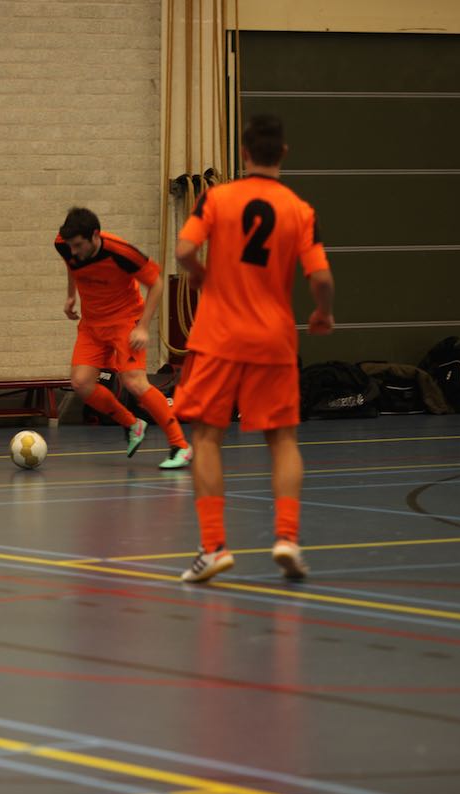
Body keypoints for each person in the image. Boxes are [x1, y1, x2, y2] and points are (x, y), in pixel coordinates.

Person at [173, 113, 335, 583]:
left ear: (243, 153)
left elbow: (184, 251)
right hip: (273, 339)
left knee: (207, 437)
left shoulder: (216, 198)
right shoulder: (300, 210)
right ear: (283, 153)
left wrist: (202, 277)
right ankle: (287, 538)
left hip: (218, 336)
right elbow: (321, 278)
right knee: (282, 440)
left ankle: (213, 547)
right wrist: (323, 313)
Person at [55, 208, 192, 469]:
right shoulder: (65, 244)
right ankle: (132, 424)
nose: (73, 251)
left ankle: (180, 445)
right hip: (92, 325)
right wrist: (71, 295)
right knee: (81, 383)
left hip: (125, 322)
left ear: (95, 236)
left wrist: (143, 327)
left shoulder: (122, 253)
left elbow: (157, 283)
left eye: (79, 245)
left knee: (134, 382)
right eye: (70, 246)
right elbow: (71, 264)